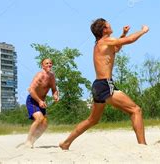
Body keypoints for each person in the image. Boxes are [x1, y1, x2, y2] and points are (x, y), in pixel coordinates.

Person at [60, 18, 149, 150]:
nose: (110, 24)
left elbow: (116, 48)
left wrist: (123, 34)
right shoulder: (106, 41)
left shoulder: (100, 44)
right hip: (105, 84)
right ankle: (143, 146)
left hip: (98, 85)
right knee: (136, 110)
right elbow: (129, 41)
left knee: (93, 120)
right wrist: (143, 31)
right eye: (108, 24)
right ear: (104, 30)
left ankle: (66, 143)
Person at [19, 57, 59, 148]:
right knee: (39, 118)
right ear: (42, 66)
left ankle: (32, 141)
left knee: (44, 124)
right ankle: (28, 140)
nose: (49, 65)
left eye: (50, 63)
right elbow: (31, 90)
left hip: (42, 102)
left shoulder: (52, 76)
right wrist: (39, 101)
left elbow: (54, 89)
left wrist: (55, 95)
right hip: (33, 100)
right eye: (46, 63)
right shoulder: (39, 75)